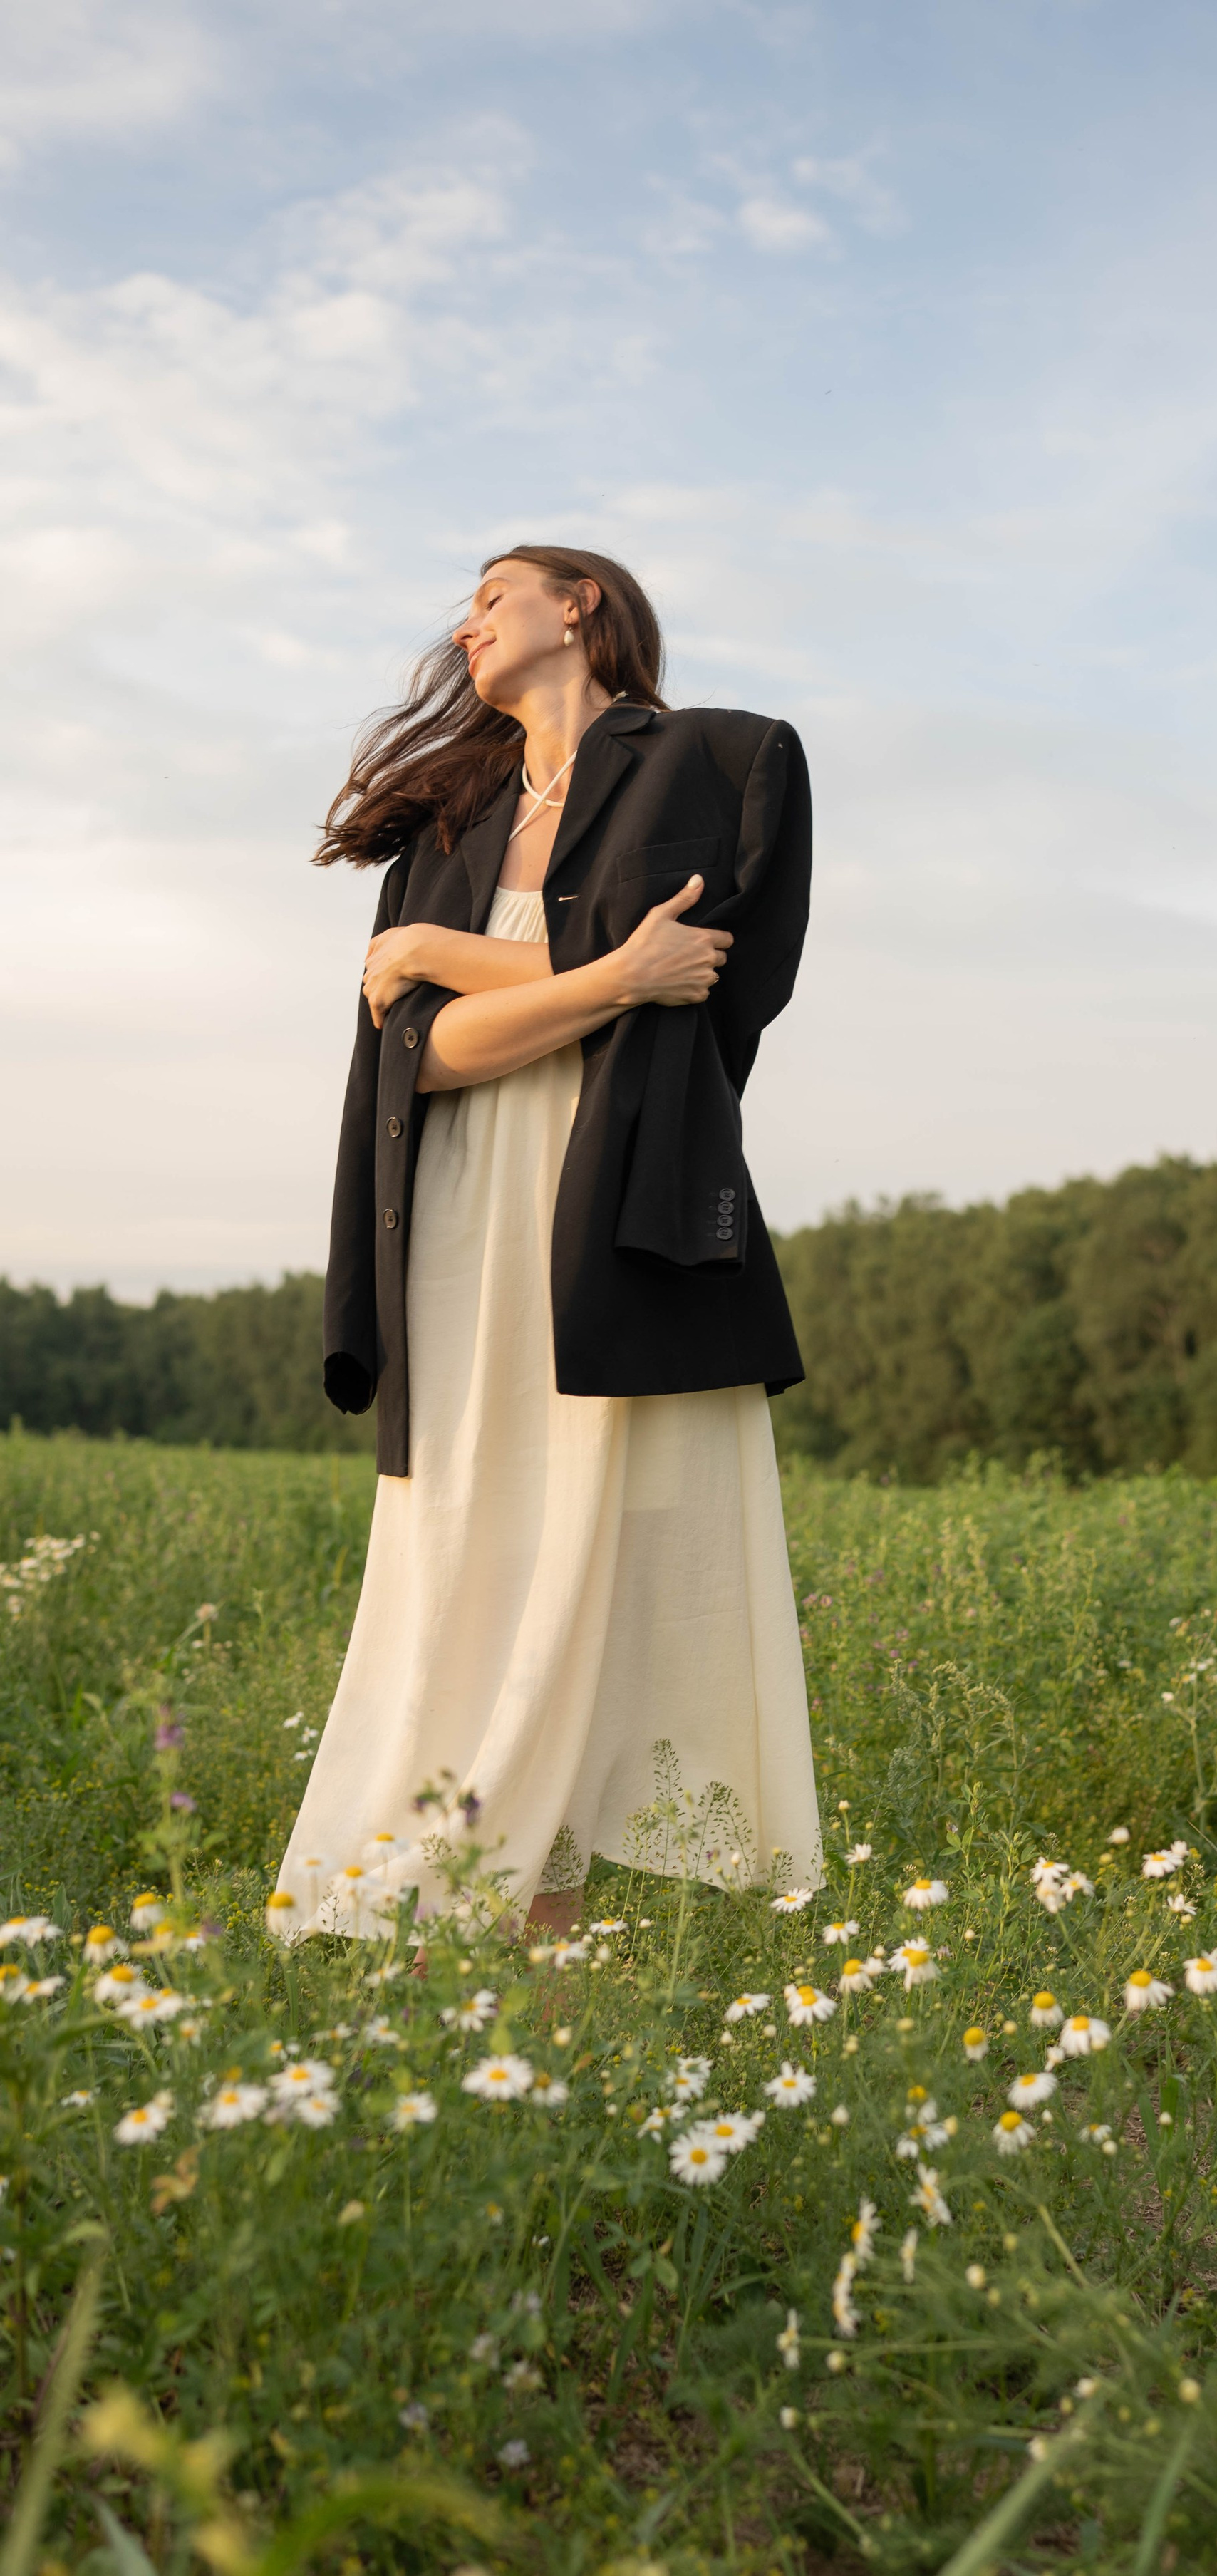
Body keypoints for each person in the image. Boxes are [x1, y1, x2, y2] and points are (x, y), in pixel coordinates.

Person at [272, 544, 822, 1936]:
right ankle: (461, 1896)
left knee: (596, 1538)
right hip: (457, 1210)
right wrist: (605, 975)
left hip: (611, 1206)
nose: (465, 625)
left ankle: (553, 1931)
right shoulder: (447, 830)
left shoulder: (712, 761)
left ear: (575, 605)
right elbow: (423, 1060)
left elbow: (700, 983)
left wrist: (474, 965)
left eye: (491, 597)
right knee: (470, 1533)